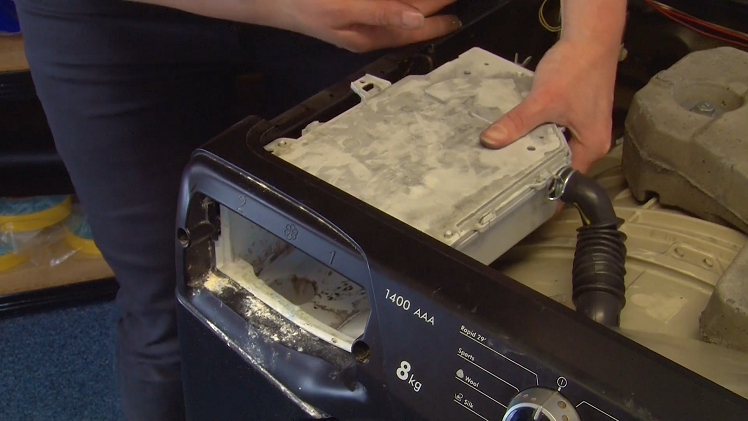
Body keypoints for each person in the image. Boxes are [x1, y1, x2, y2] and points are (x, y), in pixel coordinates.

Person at [13, 0, 627, 419]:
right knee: (173, 300)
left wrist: (592, 36)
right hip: (112, 20)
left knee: (394, 322)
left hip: (386, 16)